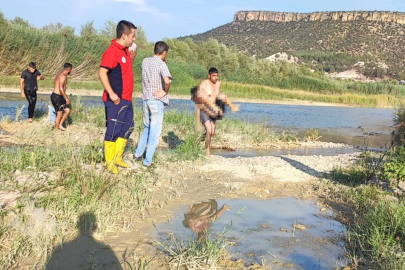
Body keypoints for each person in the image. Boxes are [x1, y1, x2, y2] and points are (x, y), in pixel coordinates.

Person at [98, 20, 137, 174]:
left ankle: (118, 157)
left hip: (127, 98)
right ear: (124, 35)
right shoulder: (112, 51)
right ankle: (109, 162)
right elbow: (102, 72)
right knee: (113, 130)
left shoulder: (126, 51)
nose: (134, 39)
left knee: (127, 127)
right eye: (133, 36)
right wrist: (112, 93)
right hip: (116, 99)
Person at [133, 41, 172, 168]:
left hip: (145, 98)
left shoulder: (145, 61)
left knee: (146, 128)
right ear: (164, 52)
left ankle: (138, 154)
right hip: (156, 100)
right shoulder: (161, 64)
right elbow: (167, 80)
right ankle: (148, 160)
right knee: (155, 132)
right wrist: (165, 92)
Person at [192, 68, 239, 156]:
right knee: (209, 130)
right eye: (213, 76)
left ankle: (201, 138)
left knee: (212, 132)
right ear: (209, 75)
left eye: (217, 75)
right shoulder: (203, 84)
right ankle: (207, 151)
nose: (216, 78)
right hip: (204, 109)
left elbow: (217, 96)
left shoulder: (218, 84)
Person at [50, 63, 73, 131]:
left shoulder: (60, 73)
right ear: (69, 69)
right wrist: (66, 97)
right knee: (59, 113)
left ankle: (60, 124)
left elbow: (54, 80)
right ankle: (56, 129)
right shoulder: (63, 76)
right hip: (56, 97)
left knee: (68, 111)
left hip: (59, 96)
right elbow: (60, 88)